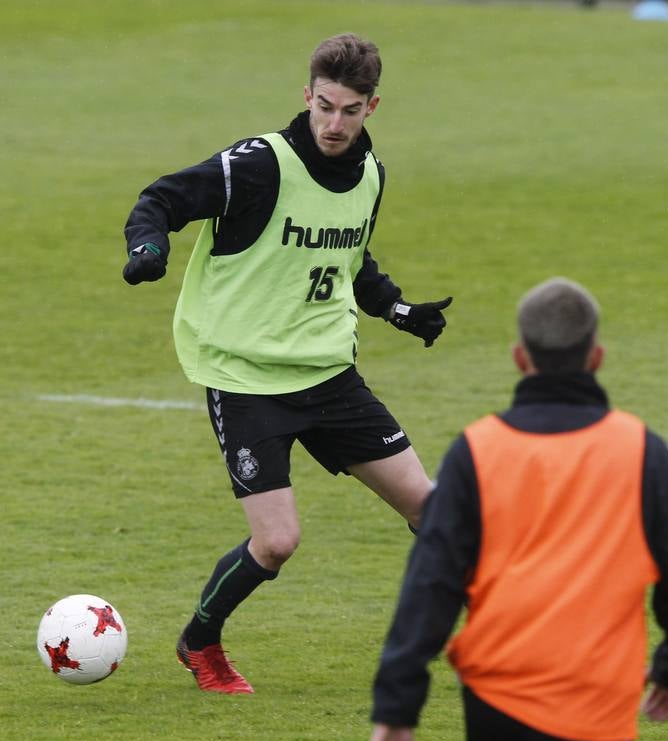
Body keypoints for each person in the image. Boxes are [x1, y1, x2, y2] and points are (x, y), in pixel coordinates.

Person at [122, 34, 452, 694]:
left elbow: (350, 261)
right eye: (325, 106)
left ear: (372, 107)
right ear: (306, 96)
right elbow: (162, 197)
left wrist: (399, 311)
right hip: (245, 378)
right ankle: (200, 643)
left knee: (436, 511)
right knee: (277, 542)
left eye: (350, 111)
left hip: (328, 374)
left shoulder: (370, 175)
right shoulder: (257, 165)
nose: (334, 124)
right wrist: (149, 245)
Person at [370, 277, 668, 741]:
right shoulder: (640, 452)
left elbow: (431, 584)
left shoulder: (477, 451)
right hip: (586, 712)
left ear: (520, 357)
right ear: (597, 355)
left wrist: (398, 703)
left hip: (493, 710)